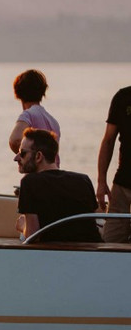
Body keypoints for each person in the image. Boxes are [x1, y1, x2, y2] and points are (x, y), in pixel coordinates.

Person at [16, 127, 101, 243]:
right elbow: (92, 224)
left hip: (56, 255)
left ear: (38, 156)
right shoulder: (83, 180)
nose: (16, 158)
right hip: (93, 252)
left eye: (22, 153)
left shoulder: (29, 182)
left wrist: (22, 226)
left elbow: (33, 237)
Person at [96, 86, 131, 242]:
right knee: (111, 241)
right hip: (122, 185)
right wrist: (101, 181)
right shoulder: (123, 97)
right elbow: (108, 141)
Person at [9, 69, 60, 164]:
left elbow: (14, 140)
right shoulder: (52, 120)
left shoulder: (28, 115)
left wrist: (26, 157)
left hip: (38, 175)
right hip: (54, 173)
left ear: (18, 93)